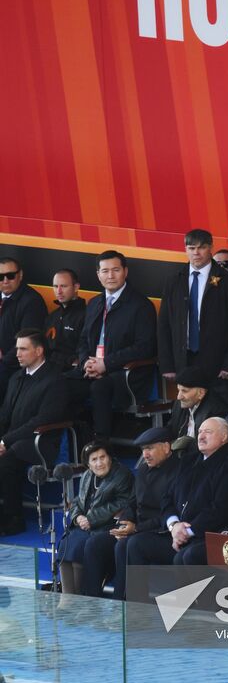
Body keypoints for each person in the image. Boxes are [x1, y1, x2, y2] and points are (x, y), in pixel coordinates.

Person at [126, 417, 228, 567]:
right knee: (136, 544)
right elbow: (167, 498)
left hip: (203, 536)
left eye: (208, 432)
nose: (201, 436)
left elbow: (221, 509)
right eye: (199, 431)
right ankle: (136, 592)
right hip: (176, 534)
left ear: (224, 437)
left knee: (184, 557)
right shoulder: (189, 460)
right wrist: (173, 525)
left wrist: (187, 532)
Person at [81, 427, 178, 599]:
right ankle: (91, 603)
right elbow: (132, 502)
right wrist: (124, 522)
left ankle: (125, 606)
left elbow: (169, 513)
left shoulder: (178, 472)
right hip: (136, 528)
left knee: (126, 545)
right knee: (94, 544)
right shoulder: (142, 470)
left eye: (150, 448)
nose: (145, 454)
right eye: (143, 450)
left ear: (166, 447)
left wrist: (135, 528)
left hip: (161, 532)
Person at [70, 250, 157, 438]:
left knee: (98, 388)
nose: (110, 276)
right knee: (59, 384)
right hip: (92, 369)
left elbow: (144, 346)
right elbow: (83, 339)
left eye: (116, 270)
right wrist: (86, 362)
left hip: (125, 375)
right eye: (105, 271)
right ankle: (78, 448)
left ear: (125, 271)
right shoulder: (94, 303)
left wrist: (106, 364)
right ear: (98, 275)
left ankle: (102, 445)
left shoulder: (141, 305)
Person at [0, 328, 70, 535]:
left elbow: (43, 420)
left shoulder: (55, 380)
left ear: (39, 351)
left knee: (6, 461)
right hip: (13, 439)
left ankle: (14, 518)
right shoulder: (17, 377)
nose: (17, 353)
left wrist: (5, 442)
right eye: (17, 348)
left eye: (23, 349)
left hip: (42, 442)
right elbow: (5, 414)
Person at [158, 229, 228, 398]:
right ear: (185, 249)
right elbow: (165, 323)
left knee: (215, 409)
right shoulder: (174, 280)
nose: (196, 253)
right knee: (186, 407)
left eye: (201, 247)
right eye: (191, 248)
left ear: (210, 247)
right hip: (184, 358)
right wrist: (167, 364)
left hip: (216, 361)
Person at [58, 440, 134, 602]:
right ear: (88, 464)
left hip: (108, 526)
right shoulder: (87, 476)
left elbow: (123, 503)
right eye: (94, 459)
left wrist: (91, 519)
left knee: (80, 546)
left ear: (110, 458)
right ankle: (67, 599)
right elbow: (78, 501)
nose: (99, 463)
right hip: (86, 526)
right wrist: (77, 516)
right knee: (66, 543)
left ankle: (81, 599)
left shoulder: (122, 475)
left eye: (102, 457)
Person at [0, 257, 47, 403]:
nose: (5, 280)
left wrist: (2, 361)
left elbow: (27, 345)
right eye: (1, 277)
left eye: (11, 276)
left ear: (20, 275)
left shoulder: (32, 302)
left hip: (14, 365)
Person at [44, 269, 86, 371]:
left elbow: (84, 352)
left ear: (76, 287)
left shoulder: (87, 315)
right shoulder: (52, 316)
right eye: (55, 286)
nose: (58, 291)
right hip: (47, 369)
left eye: (63, 286)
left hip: (71, 373)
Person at [165, 366, 216, 449]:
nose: (179, 397)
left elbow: (208, 446)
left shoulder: (214, 411)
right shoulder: (180, 404)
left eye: (184, 391)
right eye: (178, 390)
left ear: (201, 393)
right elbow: (171, 428)